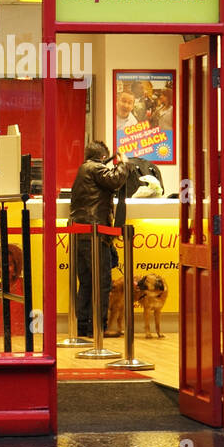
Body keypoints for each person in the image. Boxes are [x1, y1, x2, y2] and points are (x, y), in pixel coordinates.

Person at [67, 140, 136, 337]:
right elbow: (115, 180)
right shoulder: (95, 168)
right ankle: (98, 327)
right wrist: (124, 163)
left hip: (81, 233)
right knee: (102, 282)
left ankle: (83, 327)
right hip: (95, 234)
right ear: (103, 158)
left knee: (87, 282)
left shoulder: (83, 170)